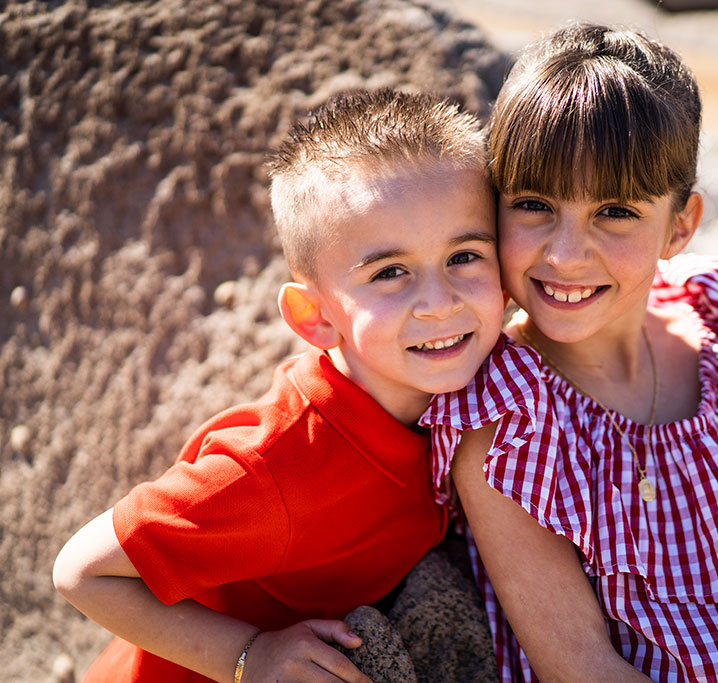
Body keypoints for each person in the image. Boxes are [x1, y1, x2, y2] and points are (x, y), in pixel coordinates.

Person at [419, 23, 718, 683]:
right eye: (534, 204)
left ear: (680, 226)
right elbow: (582, 667)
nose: (566, 254)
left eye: (616, 212)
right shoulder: (507, 426)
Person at [52, 89, 506, 683]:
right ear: (315, 316)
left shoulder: (464, 384)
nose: (440, 302)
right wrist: (246, 655)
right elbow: (82, 572)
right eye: (389, 272)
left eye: (465, 256)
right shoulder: (275, 467)